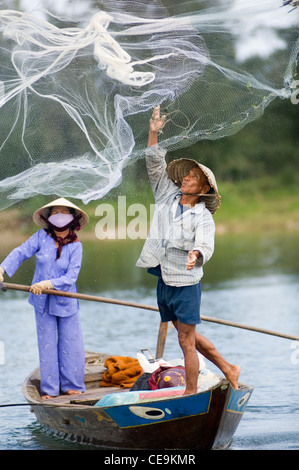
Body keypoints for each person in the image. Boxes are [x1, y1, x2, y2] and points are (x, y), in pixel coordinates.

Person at [136, 106, 240, 394]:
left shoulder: (203, 216)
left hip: (186, 282)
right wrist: (153, 132)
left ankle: (190, 393)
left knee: (185, 340)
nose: (186, 178)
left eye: (193, 177)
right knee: (186, 332)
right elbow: (155, 164)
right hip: (164, 277)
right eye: (187, 175)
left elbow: (206, 243)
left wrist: (196, 254)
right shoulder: (167, 194)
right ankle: (228, 367)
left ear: (204, 186)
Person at [0, 197, 89, 399]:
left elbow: (71, 277)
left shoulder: (76, 245)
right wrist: (2, 268)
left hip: (66, 300)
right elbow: (20, 252)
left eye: (63, 211)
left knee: (71, 343)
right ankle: (50, 390)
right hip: (42, 303)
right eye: (55, 212)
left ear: (72, 217)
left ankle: (72, 385)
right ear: (49, 217)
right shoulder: (41, 237)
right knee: (47, 344)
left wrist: (48, 283)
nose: (59, 215)